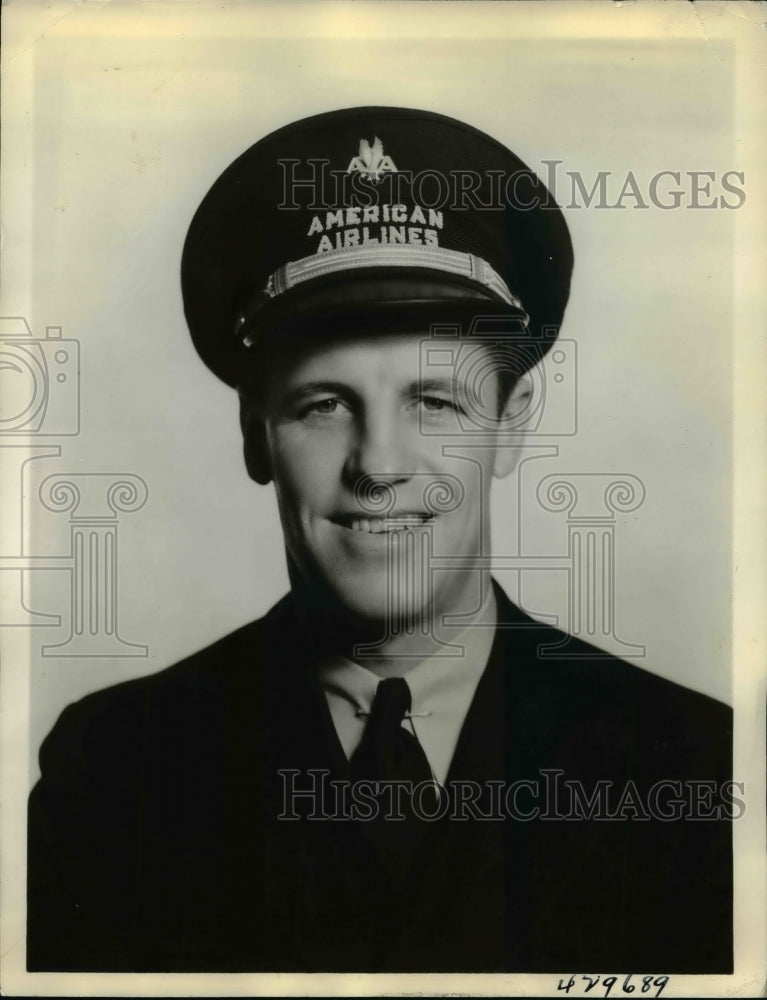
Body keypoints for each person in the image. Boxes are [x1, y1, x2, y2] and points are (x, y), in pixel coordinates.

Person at [27, 106, 733, 974]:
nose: (379, 466)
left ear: (512, 425)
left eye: (433, 401)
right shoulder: (113, 772)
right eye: (323, 405)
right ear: (255, 437)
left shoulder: (693, 764)